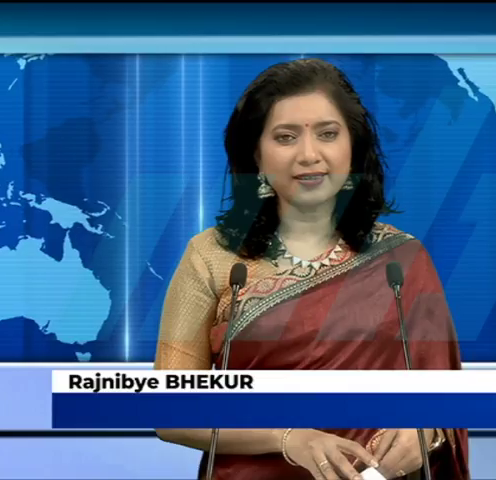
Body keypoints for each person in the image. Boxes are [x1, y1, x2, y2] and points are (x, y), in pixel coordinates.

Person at [153, 58, 470, 480]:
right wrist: (288, 439)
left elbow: (445, 404)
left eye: (327, 134)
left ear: (353, 147)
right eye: (285, 137)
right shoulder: (212, 257)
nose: (309, 155)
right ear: (256, 154)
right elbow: (171, 412)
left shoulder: (402, 261)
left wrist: (427, 433)